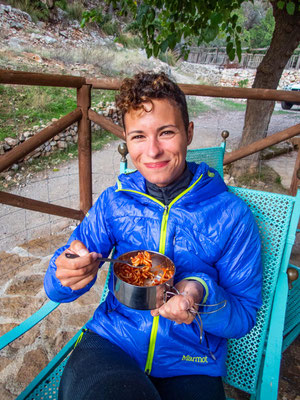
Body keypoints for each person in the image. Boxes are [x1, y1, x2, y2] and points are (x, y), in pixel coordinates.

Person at [44, 72, 262, 400]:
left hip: (192, 360)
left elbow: (243, 315)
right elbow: (58, 286)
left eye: (166, 132)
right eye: (138, 137)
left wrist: (199, 296)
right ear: (127, 140)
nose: (153, 151)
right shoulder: (113, 202)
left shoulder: (232, 215)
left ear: (188, 133)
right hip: (112, 342)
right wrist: (65, 274)